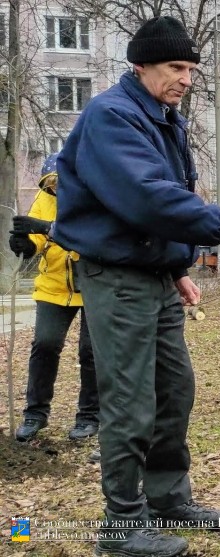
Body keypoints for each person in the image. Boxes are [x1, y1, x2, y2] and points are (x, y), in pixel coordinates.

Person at [51, 15, 220, 557]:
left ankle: (168, 498)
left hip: (152, 276)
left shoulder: (163, 117)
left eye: (192, 69)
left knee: (174, 389)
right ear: (140, 63)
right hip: (117, 277)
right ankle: (120, 527)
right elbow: (146, 196)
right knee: (129, 400)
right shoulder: (112, 117)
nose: (186, 78)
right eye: (176, 67)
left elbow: (164, 199)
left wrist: (176, 270)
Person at [8, 154, 98, 443]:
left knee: (91, 352)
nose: (57, 187)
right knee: (44, 344)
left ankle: (89, 416)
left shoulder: (94, 200)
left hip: (93, 285)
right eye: (52, 183)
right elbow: (37, 237)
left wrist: (45, 230)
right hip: (53, 285)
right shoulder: (44, 199)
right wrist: (25, 243)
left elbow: (87, 236)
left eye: (62, 182)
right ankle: (35, 413)